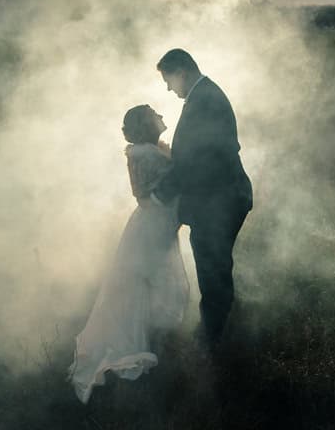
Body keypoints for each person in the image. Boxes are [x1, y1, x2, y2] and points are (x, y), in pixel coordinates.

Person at [69, 105, 189, 404]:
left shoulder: (152, 149)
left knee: (151, 281)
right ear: (146, 123)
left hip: (159, 224)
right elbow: (141, 193)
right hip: (151, 224)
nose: (160, 115)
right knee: (139, 283)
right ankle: (140, 342)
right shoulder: (141, 154)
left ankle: (159, 336)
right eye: (153, 113)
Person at [152, 49, 252, 352]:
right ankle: (217, 331)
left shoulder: (204, 100)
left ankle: (212, 342)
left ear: (181, 71)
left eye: (168, 80)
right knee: (215, 265)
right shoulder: (204, 96)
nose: (169, 88)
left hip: (220, 201)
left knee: (213, 268)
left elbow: (194, 160)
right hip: (220, 199)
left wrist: (158, 194)